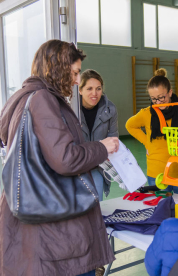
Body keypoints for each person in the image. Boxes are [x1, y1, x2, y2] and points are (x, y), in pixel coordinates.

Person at [0, 40, 118, 276]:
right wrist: (101, 147)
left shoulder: (21, 98)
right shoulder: (42, 99)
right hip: (56, 226)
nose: (76, 81)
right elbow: (65, 159)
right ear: (57, 68)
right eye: (74, 73)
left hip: (34, 219)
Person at [126, 68, 178, 194]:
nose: (158, 102)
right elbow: (130, 125)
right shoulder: (147, 113)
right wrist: (147, 143)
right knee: (161, 209)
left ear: (170, 92)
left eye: (161, 97)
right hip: (157, 173)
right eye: (153, 99)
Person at [79, 69, 119, 201]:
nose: (94, 93)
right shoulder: (70, 110)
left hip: (98, 165)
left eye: (98, 88)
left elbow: (114, 139)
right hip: (77, 166)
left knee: (97, 205)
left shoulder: (110, 109)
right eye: (89, 88)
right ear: (80, 90)